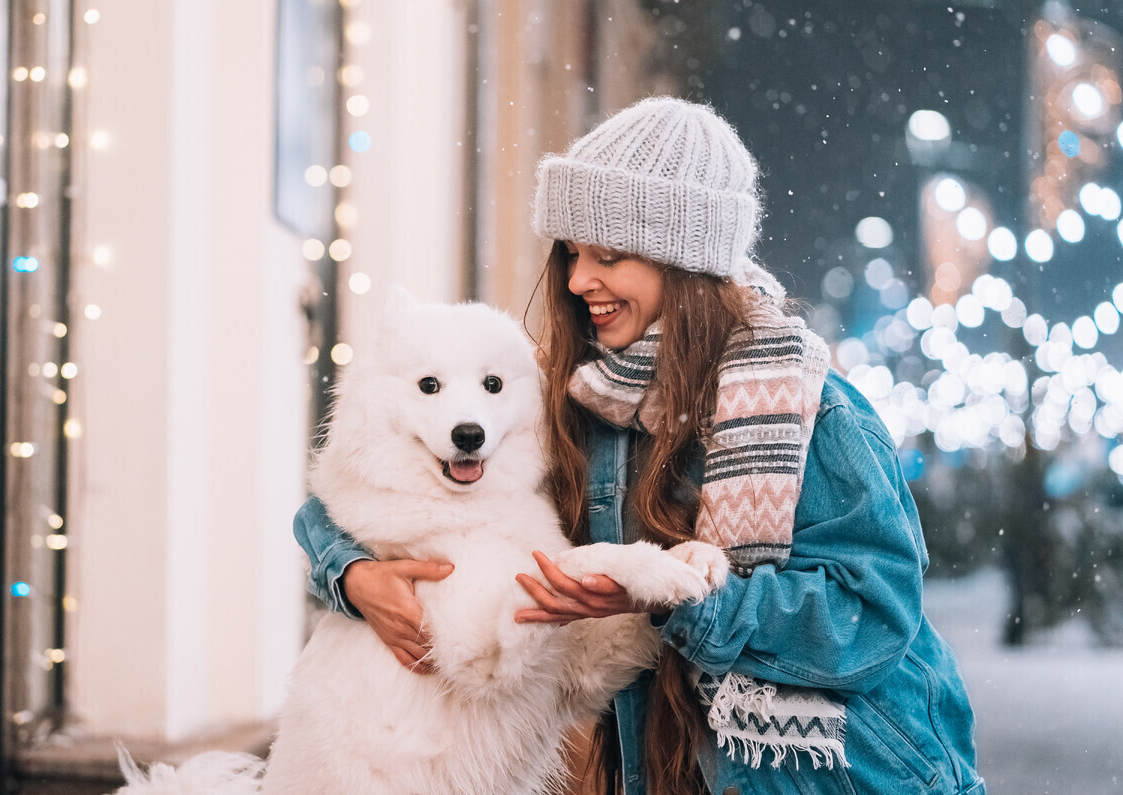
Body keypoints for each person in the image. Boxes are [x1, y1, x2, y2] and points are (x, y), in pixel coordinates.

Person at [294, 96, 985, 795]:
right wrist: (352, 574)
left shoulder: (814, 410)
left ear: (683, 263)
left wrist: (683, 599)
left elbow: (872, 615)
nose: (576, 279)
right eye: (571, 253)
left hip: (843, 776)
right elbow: (371, 487)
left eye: (609, 255)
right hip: (669, 770)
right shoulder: (578, 399)